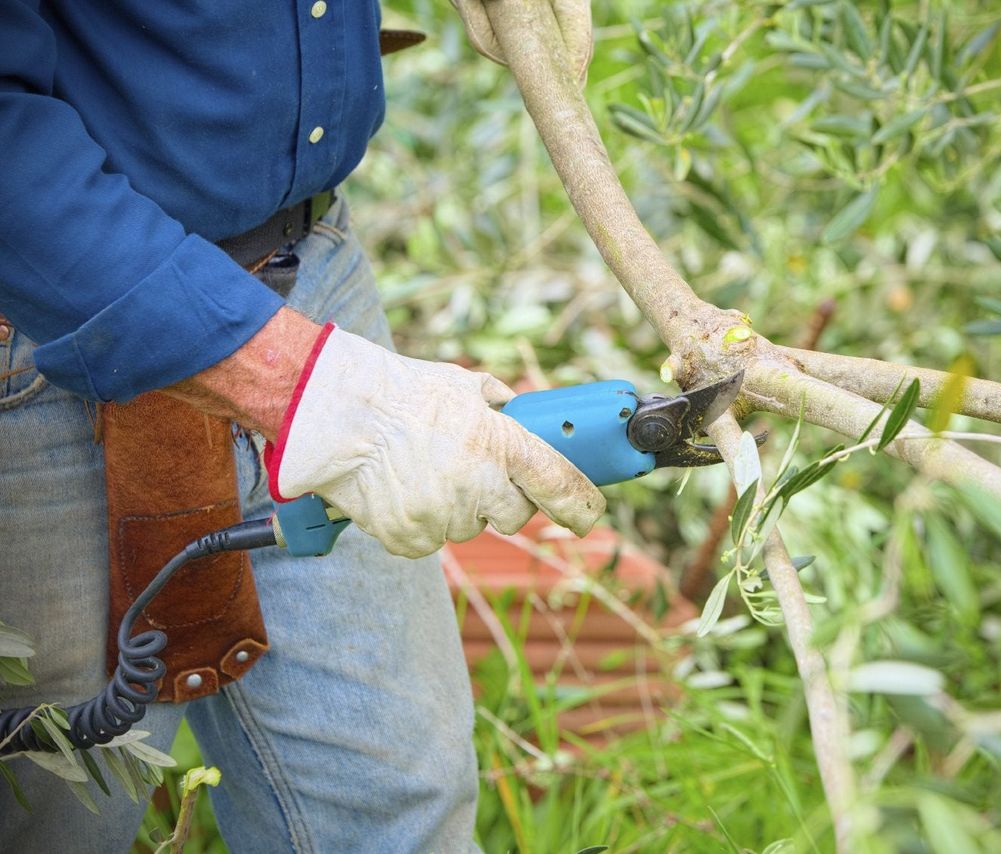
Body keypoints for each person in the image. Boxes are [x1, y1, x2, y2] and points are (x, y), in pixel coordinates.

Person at [0, 1, 600, 850]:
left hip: (307, 261)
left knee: (399, 811)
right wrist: (311, 391)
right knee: (49, 820)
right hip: (36, 324)